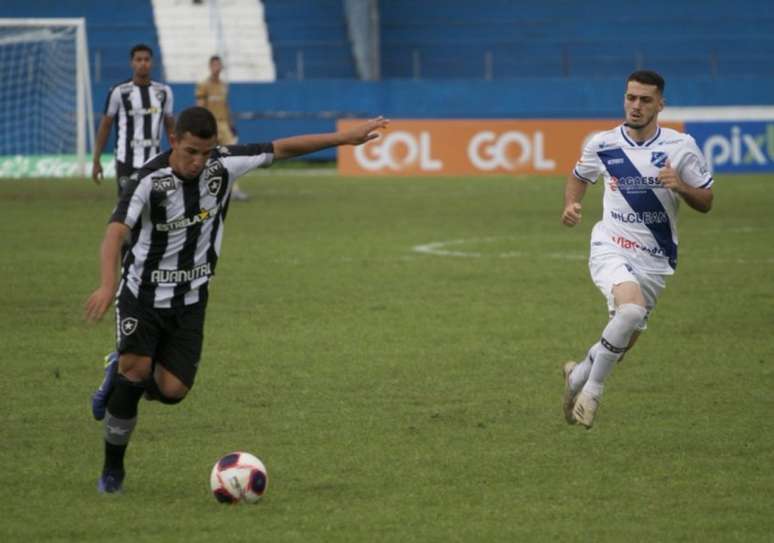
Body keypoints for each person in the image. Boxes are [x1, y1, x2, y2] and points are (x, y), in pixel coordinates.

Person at [84, 106, 389, 493]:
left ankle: (118, 375)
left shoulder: (224, 165)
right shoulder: (148, 180)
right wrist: (107, 285)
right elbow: (114, 234)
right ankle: (113, 471)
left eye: (206, 153)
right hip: (141, 296)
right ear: (173, 139)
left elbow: (282, 148)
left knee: (174, 390)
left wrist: (342, 139)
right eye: (191, 151)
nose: (198, 161)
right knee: (136, 371)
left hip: (191, 299)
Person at [560, 70, 714, 429]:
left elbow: (706, 200)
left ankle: (577, 376)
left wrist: (682, 188)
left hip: (655, 259)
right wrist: (571, 205)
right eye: (631, 98)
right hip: (610, 245)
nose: (636, 105)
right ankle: (591, 394)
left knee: (620, 345)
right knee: (629, 312)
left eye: (645, 100)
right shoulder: (603, 143)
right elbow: (579, 177)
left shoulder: (681, 147)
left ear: (660, 104)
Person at [92, 44, 175, 195]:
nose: (143, 63)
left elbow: (170, 126)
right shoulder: (119, 92)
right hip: (126, 161)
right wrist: (96, 160)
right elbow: (105, 126)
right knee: (127, 209)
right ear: (132, 63)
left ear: (152, 62)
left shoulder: (164, 92)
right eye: (138, 59)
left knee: (158, 208)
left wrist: (177, 154)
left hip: (155, 161)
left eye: (146, 59)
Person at [195, 55, 248, 201]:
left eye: (218, 65)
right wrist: (202, 124)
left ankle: (234, 189)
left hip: (224, 125)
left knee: (232, 157)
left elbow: (225, 106)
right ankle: (202, 189)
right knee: (207, 157)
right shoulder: (204, 85)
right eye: (214, 65)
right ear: (210, 66)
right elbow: (200, 106)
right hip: (210, 125)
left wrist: (230, 124)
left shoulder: (224, 85)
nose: (216, 68)